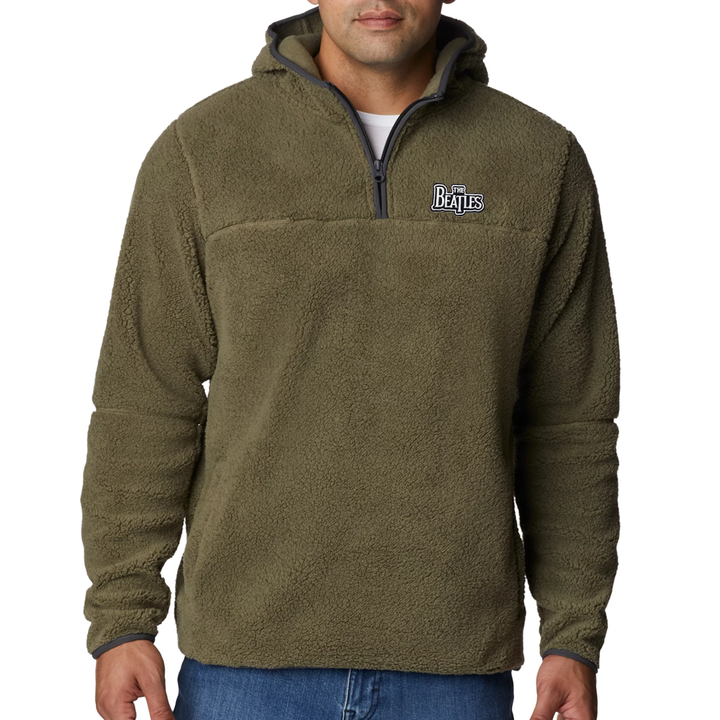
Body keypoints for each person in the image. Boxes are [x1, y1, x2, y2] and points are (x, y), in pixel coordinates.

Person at [80, 1, 620, 719]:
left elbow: (570, 423)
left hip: (455, 667)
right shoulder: (203, 151)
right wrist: (123, 619)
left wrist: (573, 634)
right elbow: (145, 403)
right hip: (246, 666)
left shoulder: (539, 161)